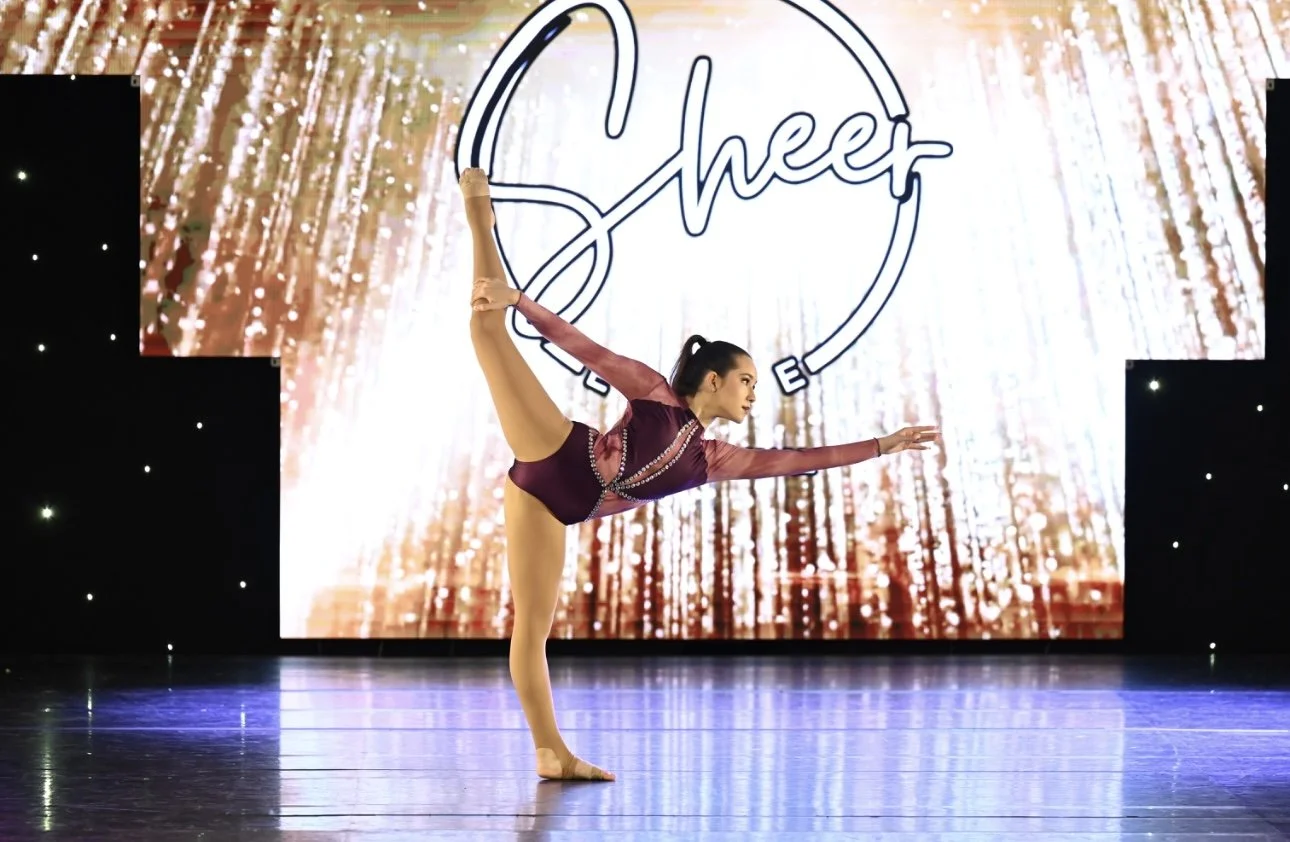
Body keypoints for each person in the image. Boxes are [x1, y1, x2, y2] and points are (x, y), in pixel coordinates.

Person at [459, 168, 940, 781]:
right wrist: (520, 301)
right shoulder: (655, 393)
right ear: (712, 378)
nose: (751, 398)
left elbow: (800, 462)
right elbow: (583, 348)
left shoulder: (712, 459)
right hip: (557, 454)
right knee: (485, 326)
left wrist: (884, 444)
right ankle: (482, 222)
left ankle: (551, 753)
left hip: (549, 506)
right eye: (747, 383)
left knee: (534, 629)